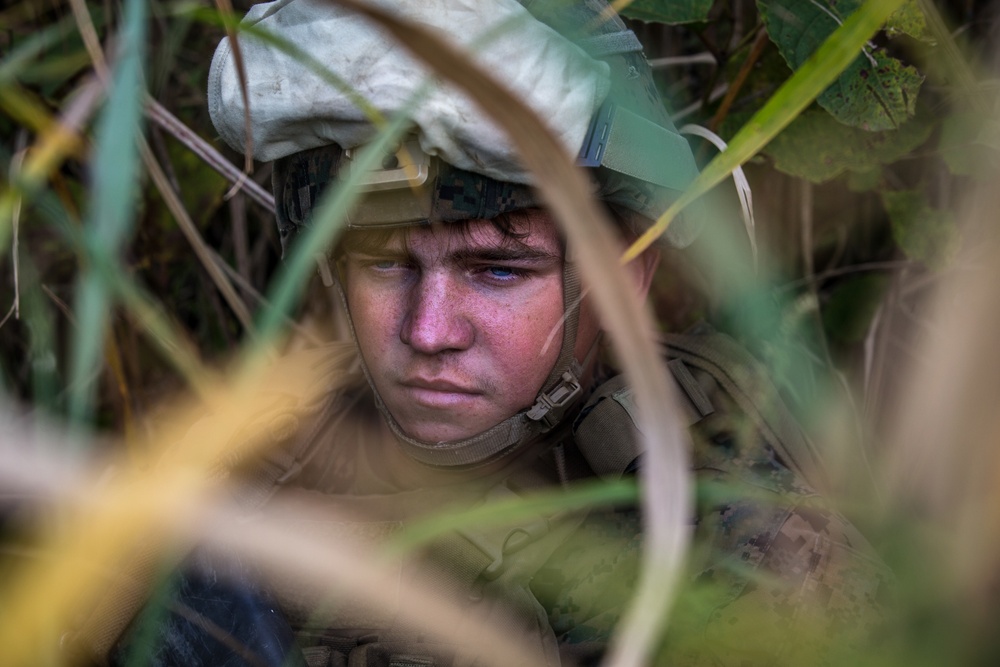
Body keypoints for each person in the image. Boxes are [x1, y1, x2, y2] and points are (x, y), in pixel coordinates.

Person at [91, 1, 891, 665]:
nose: (428, 330)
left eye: (498, 270)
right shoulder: (240, 507)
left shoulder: (751, 548)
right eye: (384, 263)